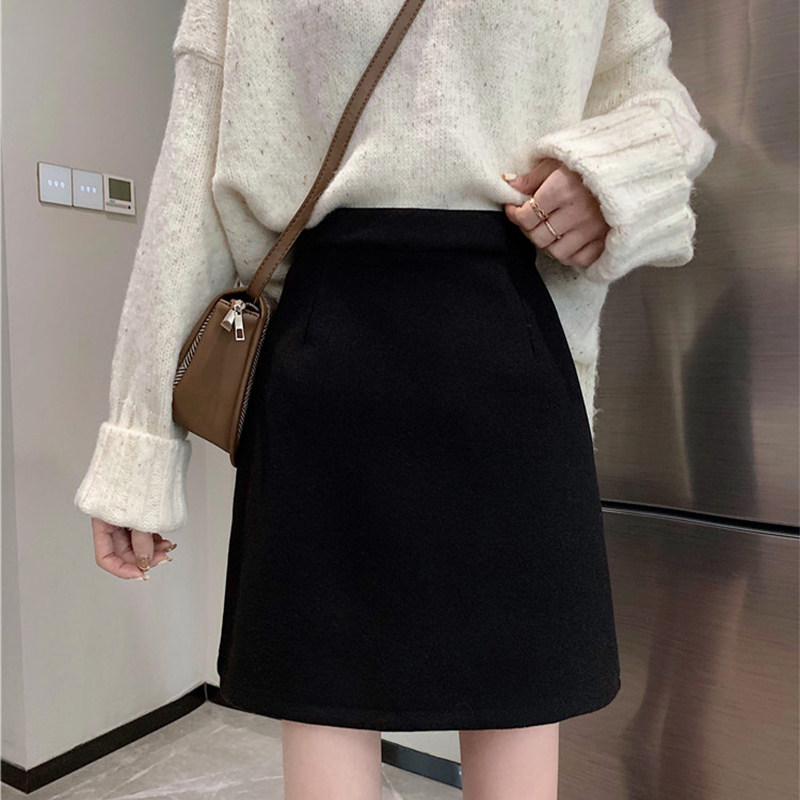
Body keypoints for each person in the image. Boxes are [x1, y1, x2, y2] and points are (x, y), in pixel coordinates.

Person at [74, 0, 717, 798]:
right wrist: (137, 442)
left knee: (514, 698)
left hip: (507, 357)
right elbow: (190, 185)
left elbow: (660, 106)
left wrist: (610, 176)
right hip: (332, 367)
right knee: (328, 700)